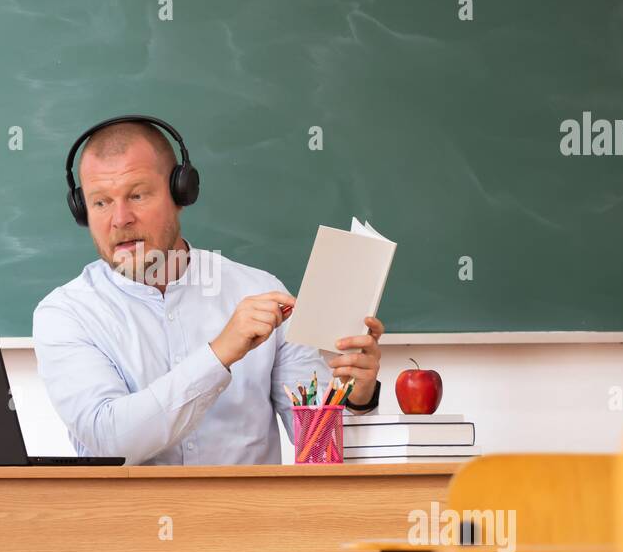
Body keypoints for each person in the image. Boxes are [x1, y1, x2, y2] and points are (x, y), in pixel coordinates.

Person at [33, 118, 383, 465]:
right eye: (100, 202)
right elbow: (110, 443)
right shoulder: (65, 315)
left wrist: (356, 397)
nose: (120, 219)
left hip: (250, 520)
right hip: (129, 520)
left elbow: (320, 452)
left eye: (137, 195)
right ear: (82, 210)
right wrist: (218, 355)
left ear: (181, 194)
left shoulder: (261, 290)